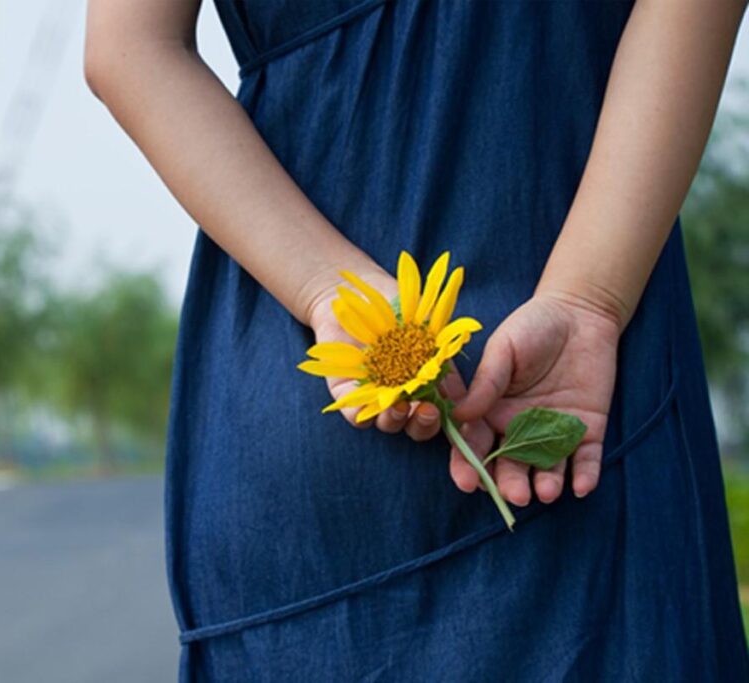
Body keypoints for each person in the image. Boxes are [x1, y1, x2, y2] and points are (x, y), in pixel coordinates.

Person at [85, 0, 749, 679]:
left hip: (317, 373)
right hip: (583, 380)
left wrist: (327, 289)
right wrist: (589, 297)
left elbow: (129, 48)